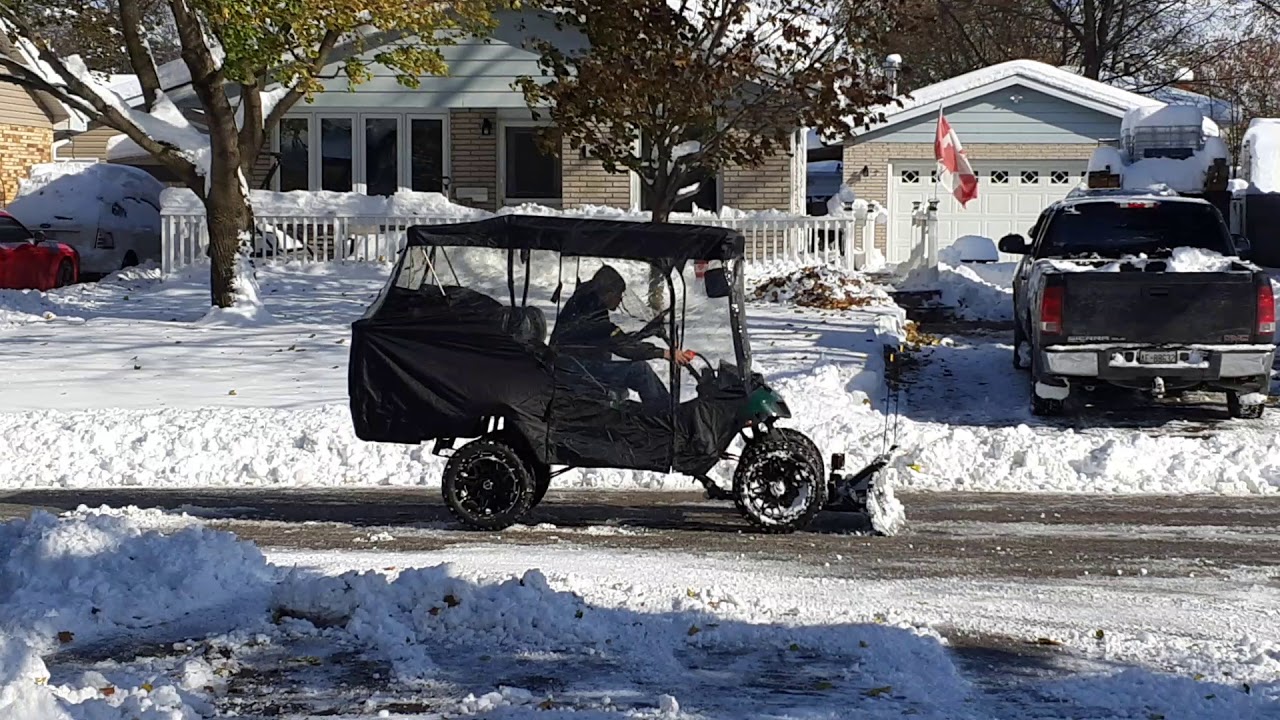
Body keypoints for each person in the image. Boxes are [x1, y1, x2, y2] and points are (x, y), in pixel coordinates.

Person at [551, 265, 696, 412]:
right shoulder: (591, 310)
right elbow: (621, 345)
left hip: (574, 365)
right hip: (578, 370)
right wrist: (664, 353)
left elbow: (615, 338)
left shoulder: (587, 300)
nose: (620, 300)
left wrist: (645, 333)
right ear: (608, 293)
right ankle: (666, 416)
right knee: (640, 371)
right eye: (619, 294)